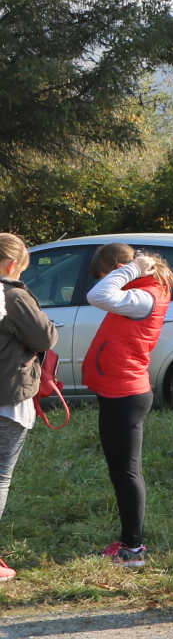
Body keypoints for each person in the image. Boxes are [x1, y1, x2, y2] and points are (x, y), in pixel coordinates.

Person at [84, 244, 173, 568]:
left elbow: (98, 295)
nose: (109, 281)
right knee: (122, 471)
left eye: (110, 275)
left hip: (126, 393)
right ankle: (129, 544)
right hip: (120, 390)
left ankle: (133, 549)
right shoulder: (142, 293)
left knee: (126, 473)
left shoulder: (143, 295)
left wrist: (132, 268)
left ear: (124, 267)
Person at [0, 233, 56, 582]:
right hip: (7, 396)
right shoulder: (13, 295)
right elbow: (45, 337)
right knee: (0, 475)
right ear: (12, 265)